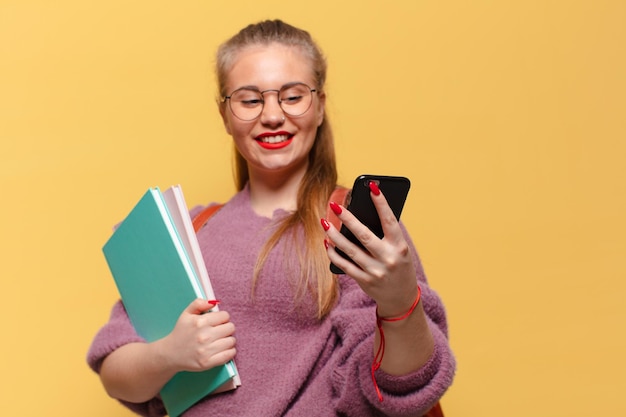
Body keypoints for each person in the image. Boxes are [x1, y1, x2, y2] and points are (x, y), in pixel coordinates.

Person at [87, 19, 455, 416]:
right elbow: (115, 370)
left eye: (293, 96)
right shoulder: (190, 230)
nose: (273, 115)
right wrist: (169, 355)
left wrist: (401, 303)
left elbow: (404, 388)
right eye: (249, 100)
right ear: (225, 115)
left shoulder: (353, 227)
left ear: (320, 106)